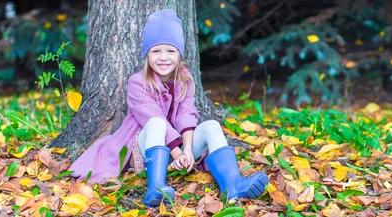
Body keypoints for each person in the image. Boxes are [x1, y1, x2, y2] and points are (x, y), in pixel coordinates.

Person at [68, 9, 269, 208]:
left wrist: (188, 150)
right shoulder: (137, 82)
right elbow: (153, 117)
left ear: (180, 55)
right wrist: (176, 154)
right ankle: (156, 188)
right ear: (147, 55)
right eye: (156, 51)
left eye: (171, 51)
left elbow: (187, 114)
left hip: (178, 149)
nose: (163, 57)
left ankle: (233, 185)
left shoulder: (184, 80)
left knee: (211, 125)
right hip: (146, 150)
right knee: (156, 122)